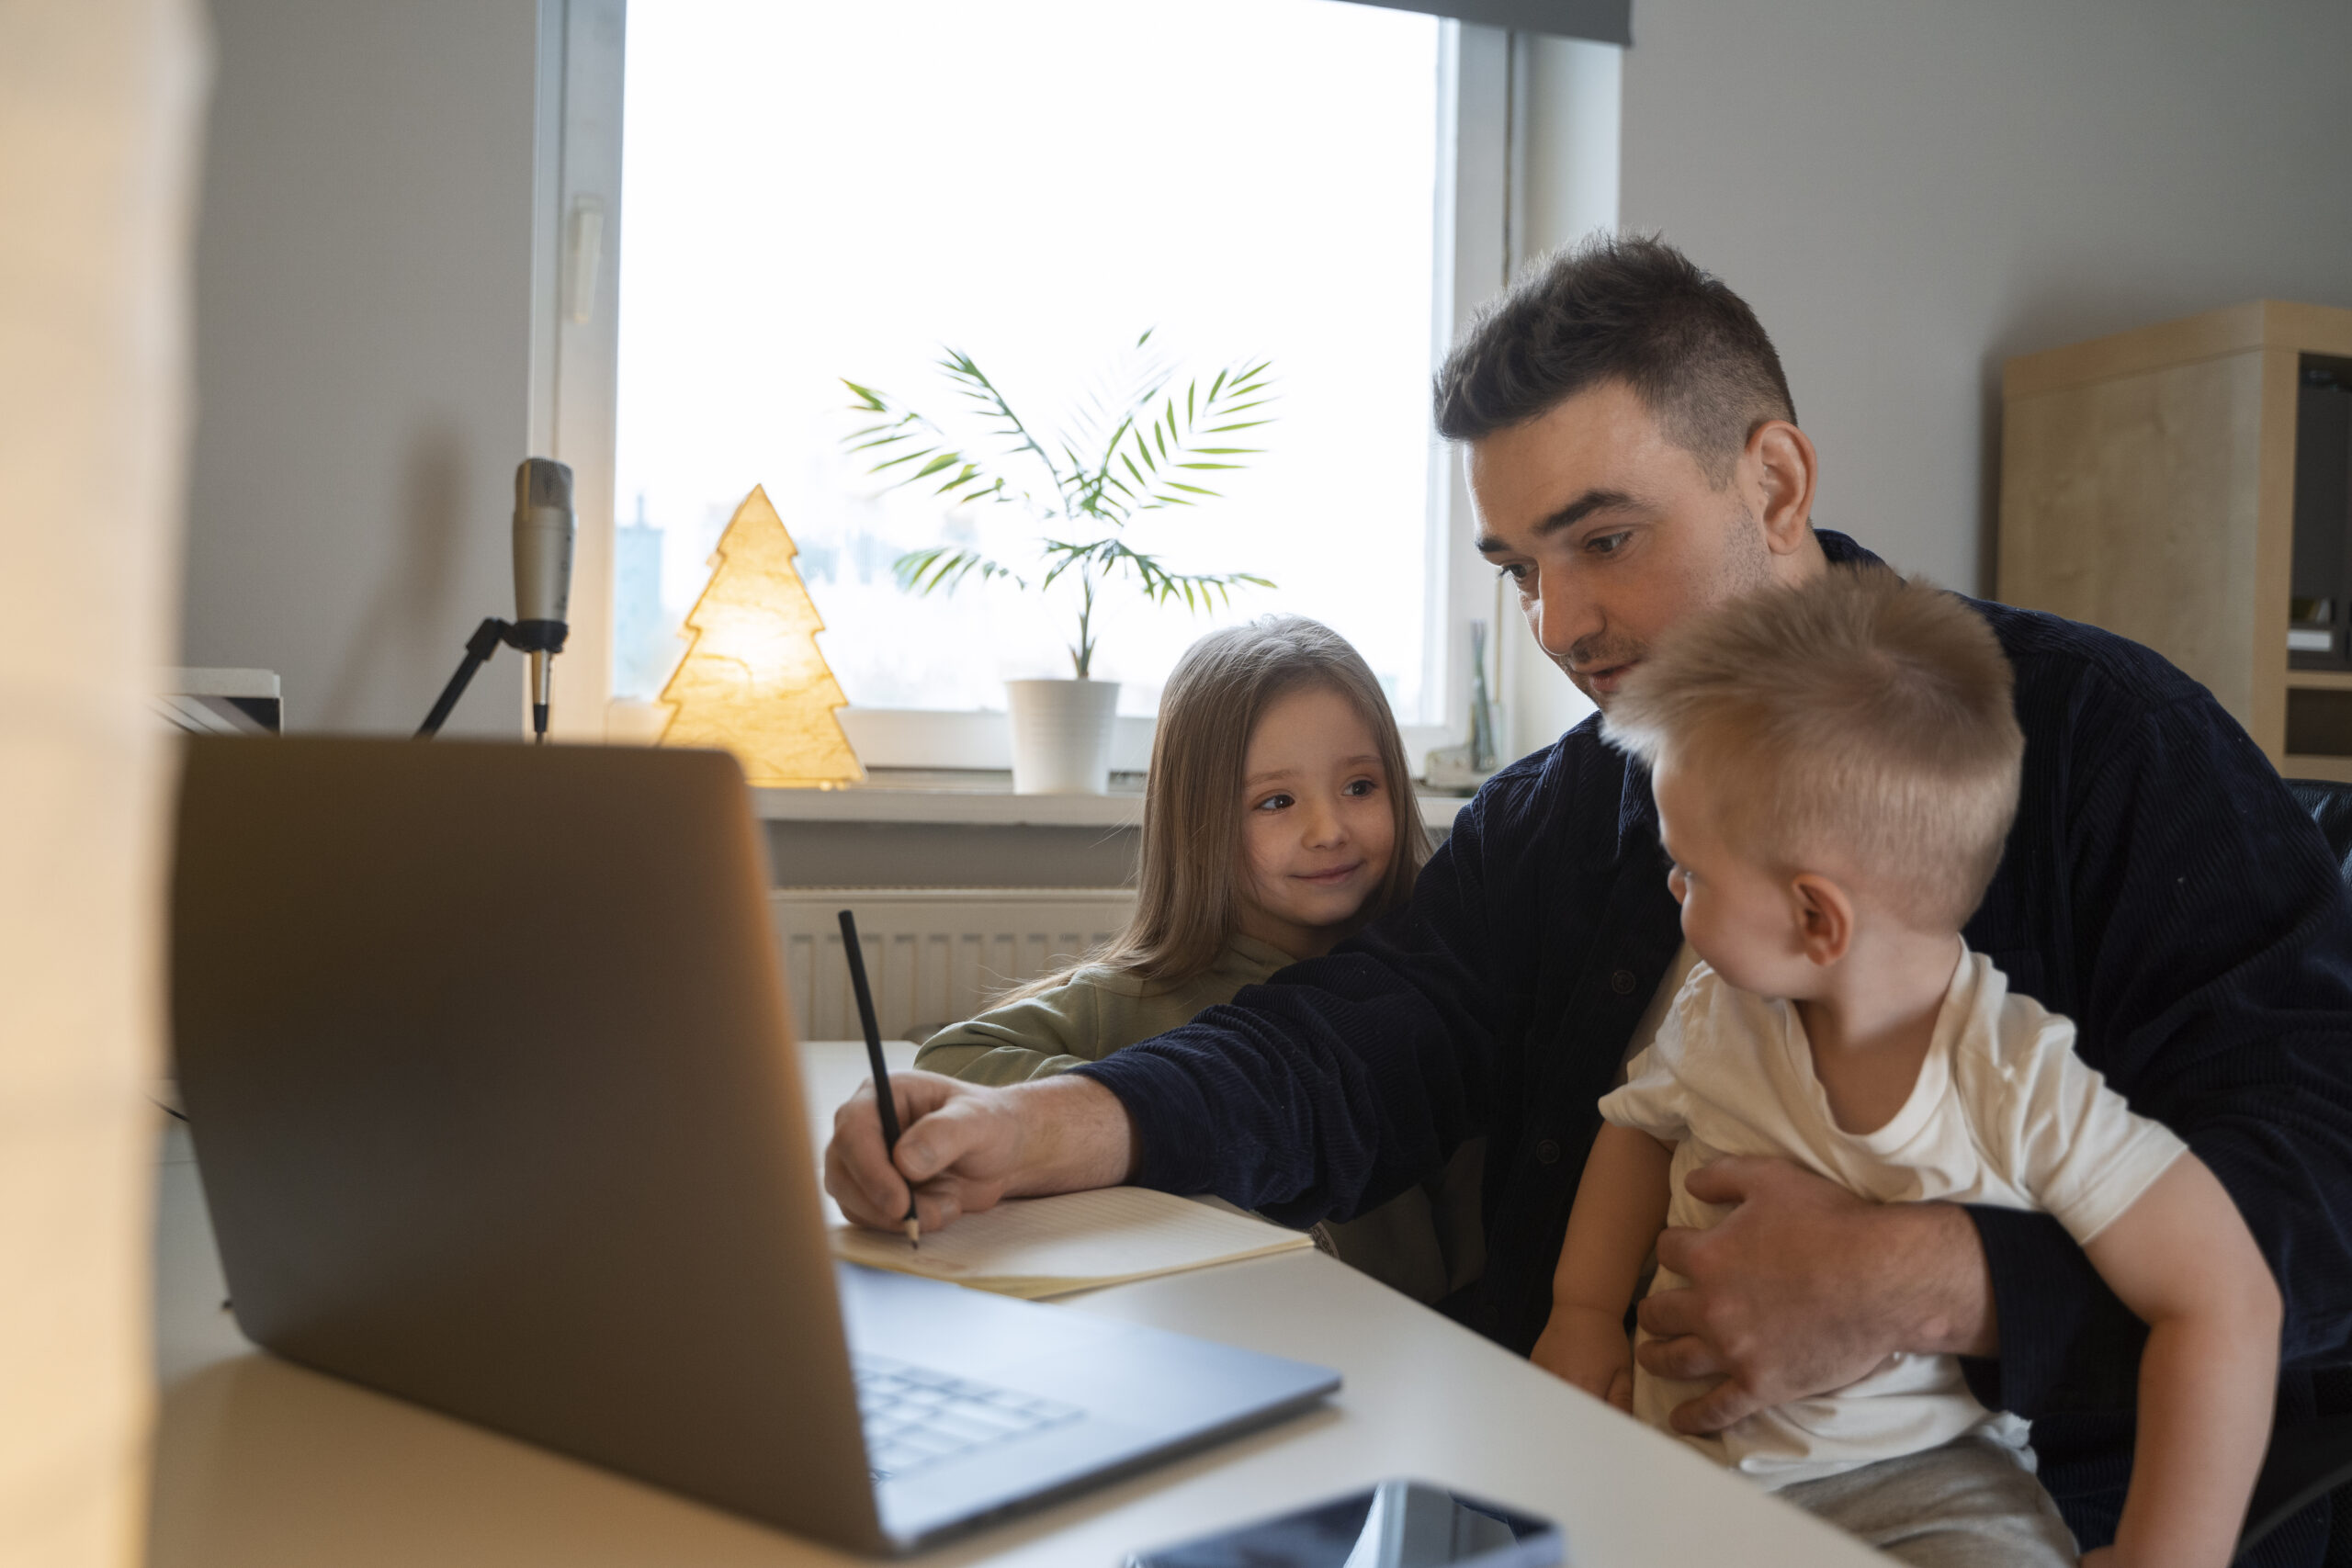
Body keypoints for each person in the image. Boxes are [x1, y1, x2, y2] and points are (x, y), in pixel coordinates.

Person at [826, 237, 2352, 1564]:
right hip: (1572, 1472)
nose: (1561, 624)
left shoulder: (2099, 744)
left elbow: (2323, 1169)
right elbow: (1367, 1036)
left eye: (1606, 541)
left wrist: (1933, 1280)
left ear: (1774, 480)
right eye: (1517, 567)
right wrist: (1048, 1126)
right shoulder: (1564, 805)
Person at [1534, 567, 2278, 1567]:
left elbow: (2227, 1300)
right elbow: (1634, 1129)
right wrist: (1580, 1310)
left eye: (1692, 872)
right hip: (1690, 1478)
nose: (1671, 886)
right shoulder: (1722, 1010)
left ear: (1814, 917)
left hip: (1927, 1500)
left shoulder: (2014, 1079)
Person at [913, 615, 1480, 1302]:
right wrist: (1142, 1117)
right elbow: (953, 1057)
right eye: (1276, 801)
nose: (1329, 830)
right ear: (1199, 820)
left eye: (1361, 786)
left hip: (1412, 1355)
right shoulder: (1136, 996)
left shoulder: (1427, 1000)